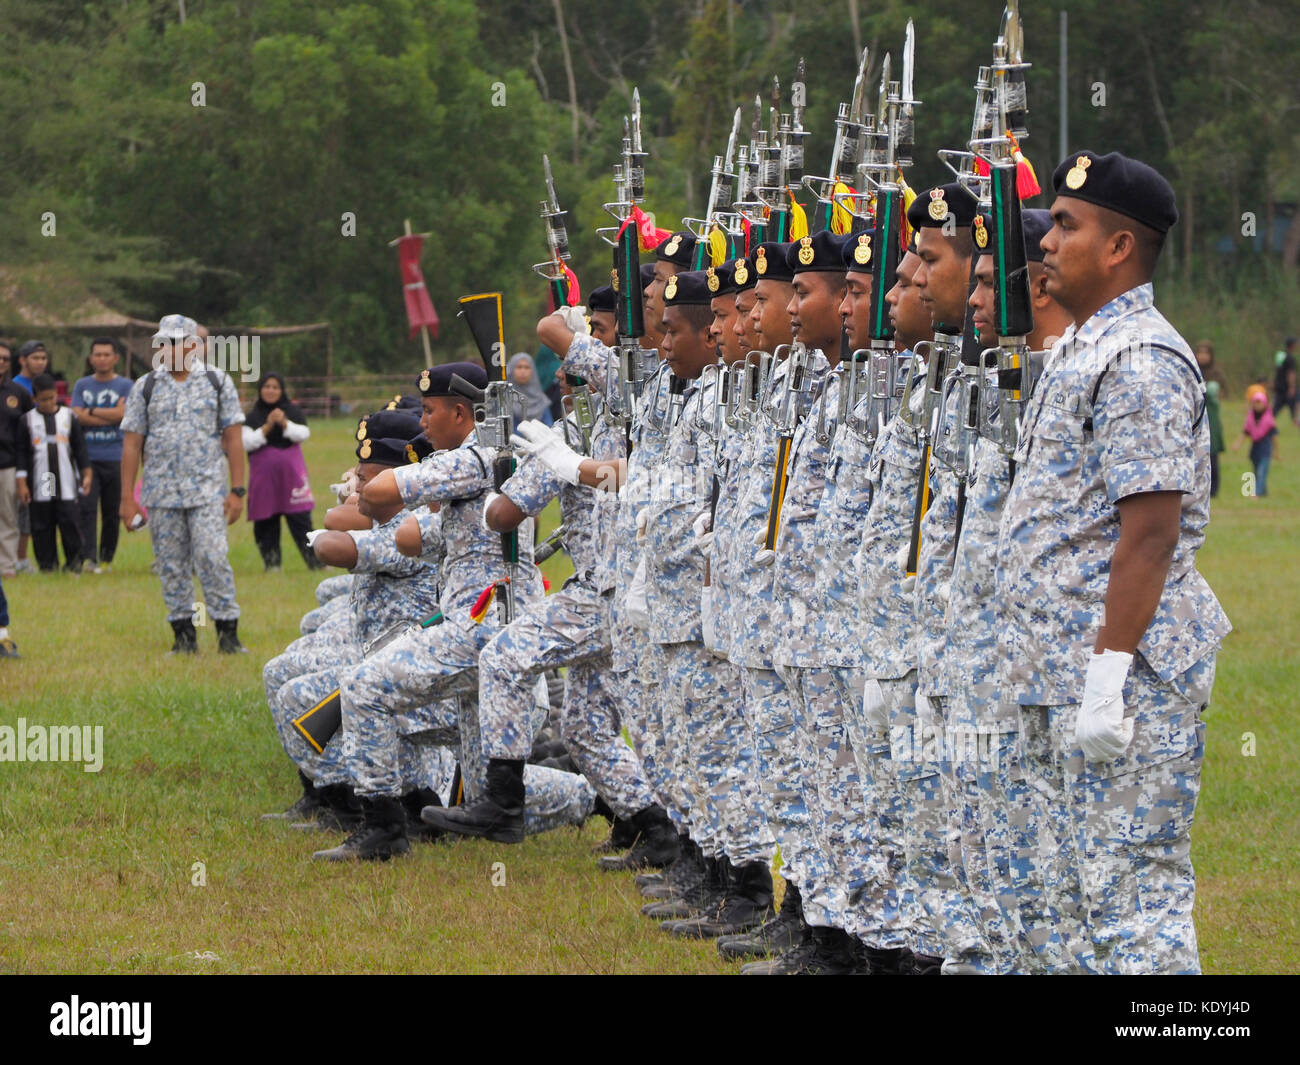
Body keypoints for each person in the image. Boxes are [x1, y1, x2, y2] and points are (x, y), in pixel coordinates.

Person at [998, 150, 1231, 974]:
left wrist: (1108, 672)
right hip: (1063, 667)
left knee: (1134, 901)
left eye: (1067, 225)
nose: (1048, 243)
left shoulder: (1138, 359)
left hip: (1126, 676)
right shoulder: (1085, 348)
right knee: (1070, 900)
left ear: (1120, 248)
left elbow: (1151, 534)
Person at [119, 314, 249, 654]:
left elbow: (234, 440)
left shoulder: (217, 382)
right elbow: (132, 444)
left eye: (175, 342)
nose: (168, 348)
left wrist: (237, 490)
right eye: (163, 342)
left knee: (212, 557)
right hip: (160, 494)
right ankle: (183, 637)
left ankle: (227, 633)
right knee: (171, 564)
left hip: (207, 491)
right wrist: (127, 499)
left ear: (194, 345)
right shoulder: (144, 386)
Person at [241, 372, 317, 571]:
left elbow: (303, 434)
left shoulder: (292, 411)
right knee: (266, 519)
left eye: (275, 387)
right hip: (264, 479)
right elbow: (247, 443)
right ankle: (272, 564)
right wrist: (267, 427)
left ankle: (316, 563)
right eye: (267, 387)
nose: (271, 391)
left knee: (301, 519)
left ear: (282, 391)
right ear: (260, 390)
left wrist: (283, 423)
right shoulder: (253, 416)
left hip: (291, 477)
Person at [18, 373, 92, 572]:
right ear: (34, 399)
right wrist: (22, 482)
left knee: (69, 520)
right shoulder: (28, 420)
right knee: (44, 521)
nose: (48, 403)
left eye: (51, 398)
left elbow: (80, 449)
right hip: (45, 477)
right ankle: (47, 564)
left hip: (67, 478)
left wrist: (87, 473)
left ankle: (74, 562)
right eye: (43, 399)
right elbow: (23, 454)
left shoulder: (68, 417)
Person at [72, 337, 133, 572]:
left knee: (112, 511)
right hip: (87, 458)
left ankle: (107, 558)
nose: (102, 358)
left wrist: (92, 411)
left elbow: (125, 415)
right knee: (86, 509)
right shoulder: (82, 385)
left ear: (115, 358)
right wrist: (111, 412)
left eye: (107, 354)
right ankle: (89, 559)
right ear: (91, 358)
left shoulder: (126, 385)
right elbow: (77, 415)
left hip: (116, 457)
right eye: (97, 354)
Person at [0, 363, 34, 577]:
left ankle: (6, 565)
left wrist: (24, 472)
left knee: (8, 517)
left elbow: (29, 432)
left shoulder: (18, 393)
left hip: (9, 464)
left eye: (4, 357)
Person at [1195, 340, 1227, 498]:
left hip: (1211, 418)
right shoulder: (1192, 370)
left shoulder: (1216, 373)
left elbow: (1222, 393)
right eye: (1200, 352)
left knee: (1212, 455)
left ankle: (1214, 490)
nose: (1203, 356)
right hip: (1195, 417)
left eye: (1206, 353)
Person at [1235, 383, 1279, 497]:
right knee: (1256, 471)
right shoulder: (1251, 417)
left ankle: (1257, 493)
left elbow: (1274, 437)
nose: (1257, 405)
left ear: (1264, 403)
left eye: (1259, 402)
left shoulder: (1269, 420)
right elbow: (1246, 432)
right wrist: (1237, 444)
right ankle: (1264, 492)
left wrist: (1276, 452)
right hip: (1255, 450)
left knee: (1261, 472)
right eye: (1255, 402)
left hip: (1265, 450)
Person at [506, 352, 553, 426]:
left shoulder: (541, 400)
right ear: (511, 369)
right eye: (519, 367)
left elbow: (549, 427)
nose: (523, 371)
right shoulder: (504, 399)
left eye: (527, 367)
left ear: (533, 371)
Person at [1273, 336, 1296, 423]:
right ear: (1292, 345)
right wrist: (1292, 386)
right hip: (1286, 387)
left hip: (1279, 385)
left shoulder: (1280, 356)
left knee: (1276, 407)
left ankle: (1268, 420)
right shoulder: (1290, 358)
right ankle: (1295, 421)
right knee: (1294, 405)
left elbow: (1277, 370)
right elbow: (1291, 373)